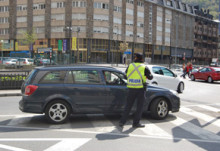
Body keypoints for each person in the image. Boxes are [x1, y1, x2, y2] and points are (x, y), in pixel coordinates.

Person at [119, 53, 153, 128]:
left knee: (128, 106)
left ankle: (122, 122)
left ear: (135, 58)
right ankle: (136, 123)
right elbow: (150, 77)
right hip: (140, 89)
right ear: (142, 59)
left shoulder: (130, 65)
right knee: (139, 107)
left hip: (131, 89)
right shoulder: (144, 67)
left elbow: (125, 76)